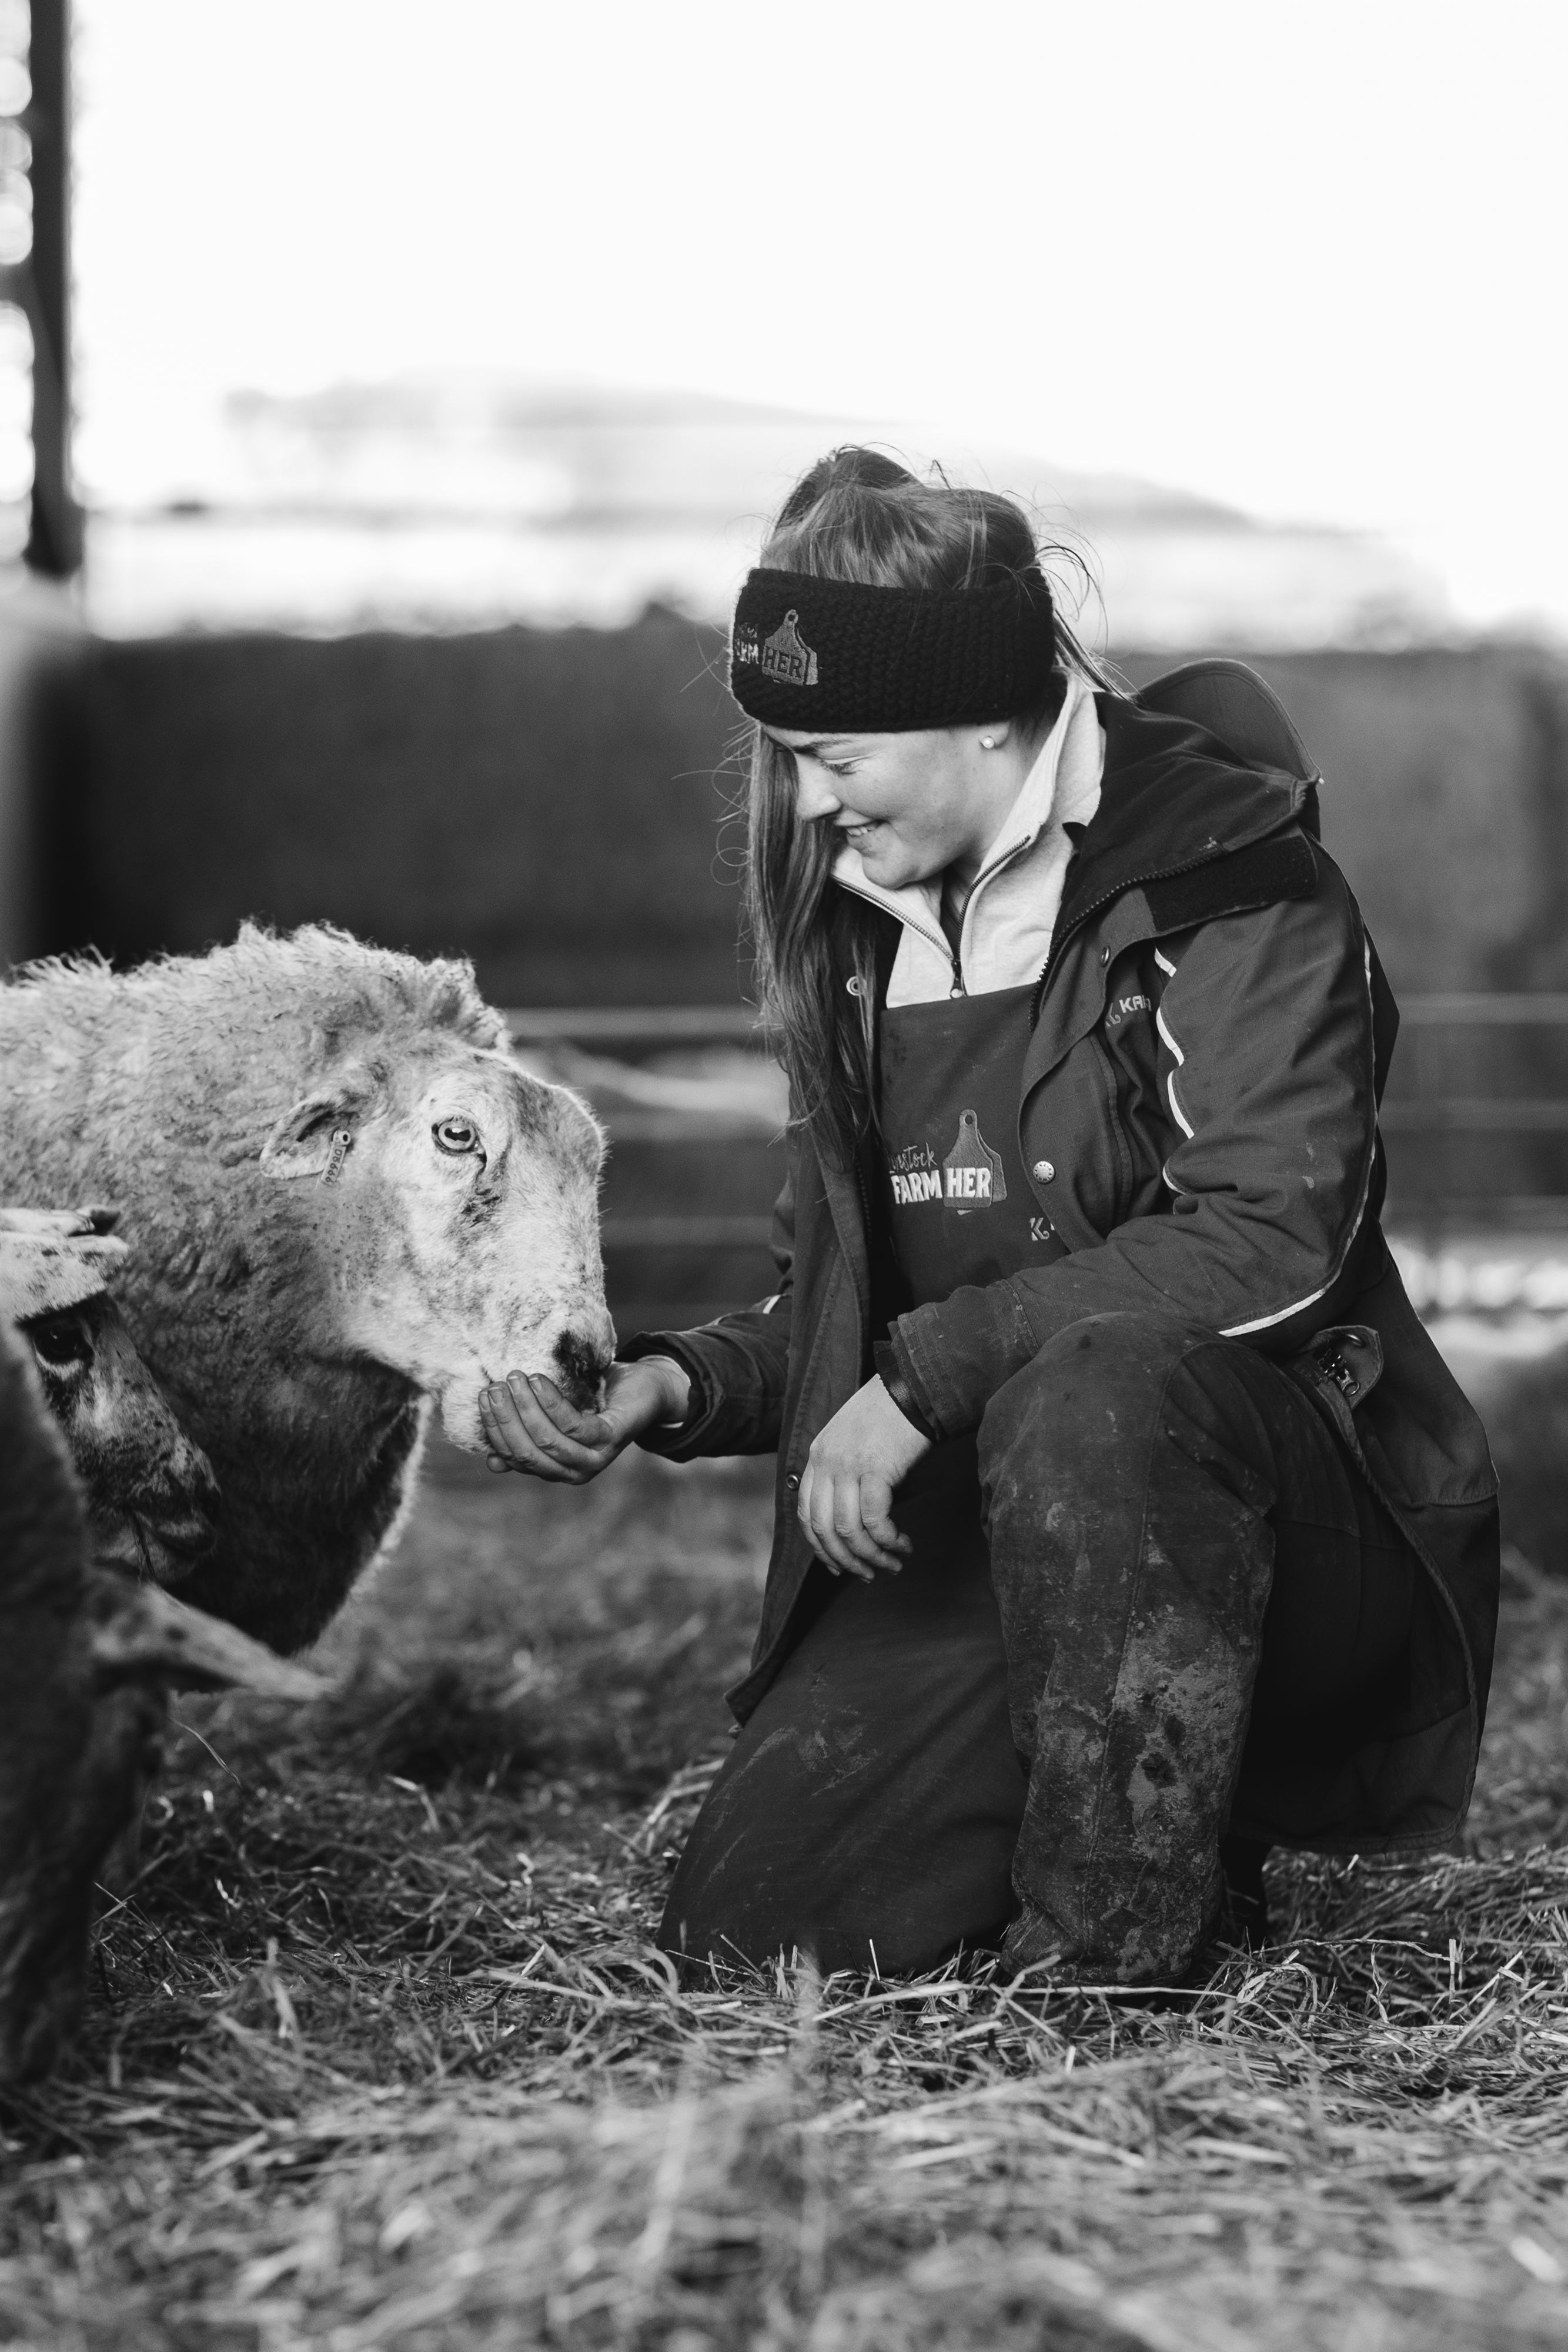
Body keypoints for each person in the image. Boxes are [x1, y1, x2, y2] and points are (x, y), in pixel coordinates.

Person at [478, 448, 1499, 1987]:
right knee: (758, 1933)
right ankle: (1111, 1810)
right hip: (998, 1533)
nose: (806, 806)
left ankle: (1116, 1963)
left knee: (1101, 1388)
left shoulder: (1227, 883)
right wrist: (673, 1382)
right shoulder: (862, 945)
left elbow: (1265, 1236)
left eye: (831, 756)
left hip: (1276, 1531)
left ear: (976, 714)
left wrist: (924, 1380)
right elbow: (832, 1289)